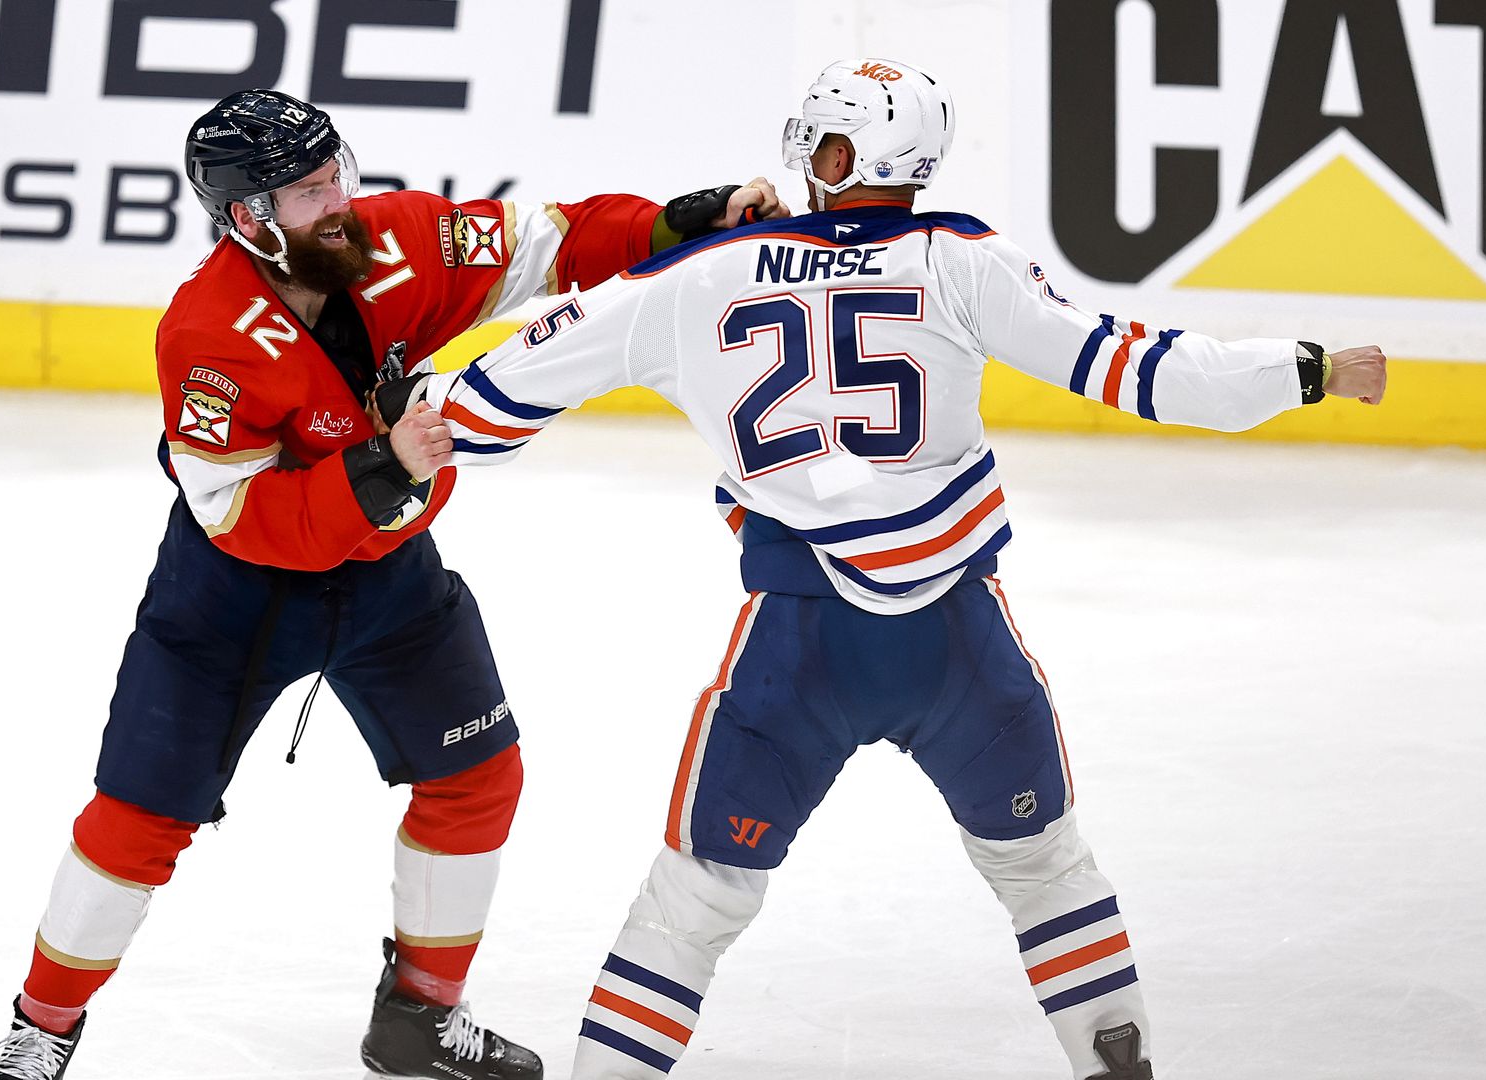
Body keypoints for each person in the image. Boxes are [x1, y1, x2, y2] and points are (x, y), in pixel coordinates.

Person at [374, 57, 1387, 1080]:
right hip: (960, 647)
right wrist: (1306, 368)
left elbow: (492, 400)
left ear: (837, 153)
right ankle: (1116, 1065)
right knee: (1046, 872)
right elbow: (1140, 367)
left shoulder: (699, 277)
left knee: (694, 900)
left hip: (794, 654)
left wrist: (396, 408)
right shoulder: (960, 260)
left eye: (817, 138)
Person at [0, 88, 784, 1080]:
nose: (338, 204)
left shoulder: (394, 239)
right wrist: (390, 466)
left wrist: (676, 223)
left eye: (333, 176)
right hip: (231, 603)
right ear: (246, 219)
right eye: (308, 192)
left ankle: (419, 1017)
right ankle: (42, 1029)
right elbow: (249, 521)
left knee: (478, 776)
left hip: (390, 581)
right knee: (139, 818)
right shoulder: (208, 338)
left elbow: (551, 242)